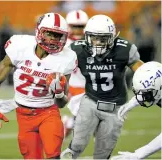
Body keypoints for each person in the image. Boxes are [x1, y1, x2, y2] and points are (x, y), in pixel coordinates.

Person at [0, 12, 77, 159]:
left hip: (48, 113)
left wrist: (59, 93)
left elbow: (61, 104)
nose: (54, 39)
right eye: (50, 34)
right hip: (24, 115)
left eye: (58, 35)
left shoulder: (67, 58)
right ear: (39, 31)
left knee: (54, 155)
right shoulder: (20, 46)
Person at [61, 14, 144, 159]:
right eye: (94, 37)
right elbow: (61, 71)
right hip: (90, 100)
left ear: (113, 37)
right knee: (77, 144)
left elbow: (142, 71)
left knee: (103, 152)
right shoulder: (77, 49)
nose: (98, 42)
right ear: (86, 36)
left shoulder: (124, 49)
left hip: (116, 105)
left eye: (103, 38)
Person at [111, 61, 161, 160]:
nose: (143, 97)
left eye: (146, 94)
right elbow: (149, 92)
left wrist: (140, 153)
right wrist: (131, 103)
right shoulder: (158, 88)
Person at [63, 9, 88, 137]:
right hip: (72, 84)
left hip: (88, 84)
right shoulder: (62, 43)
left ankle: (68, 123)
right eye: (74, 26)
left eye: (81, 27)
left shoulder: (93, 42)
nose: (78, 30)